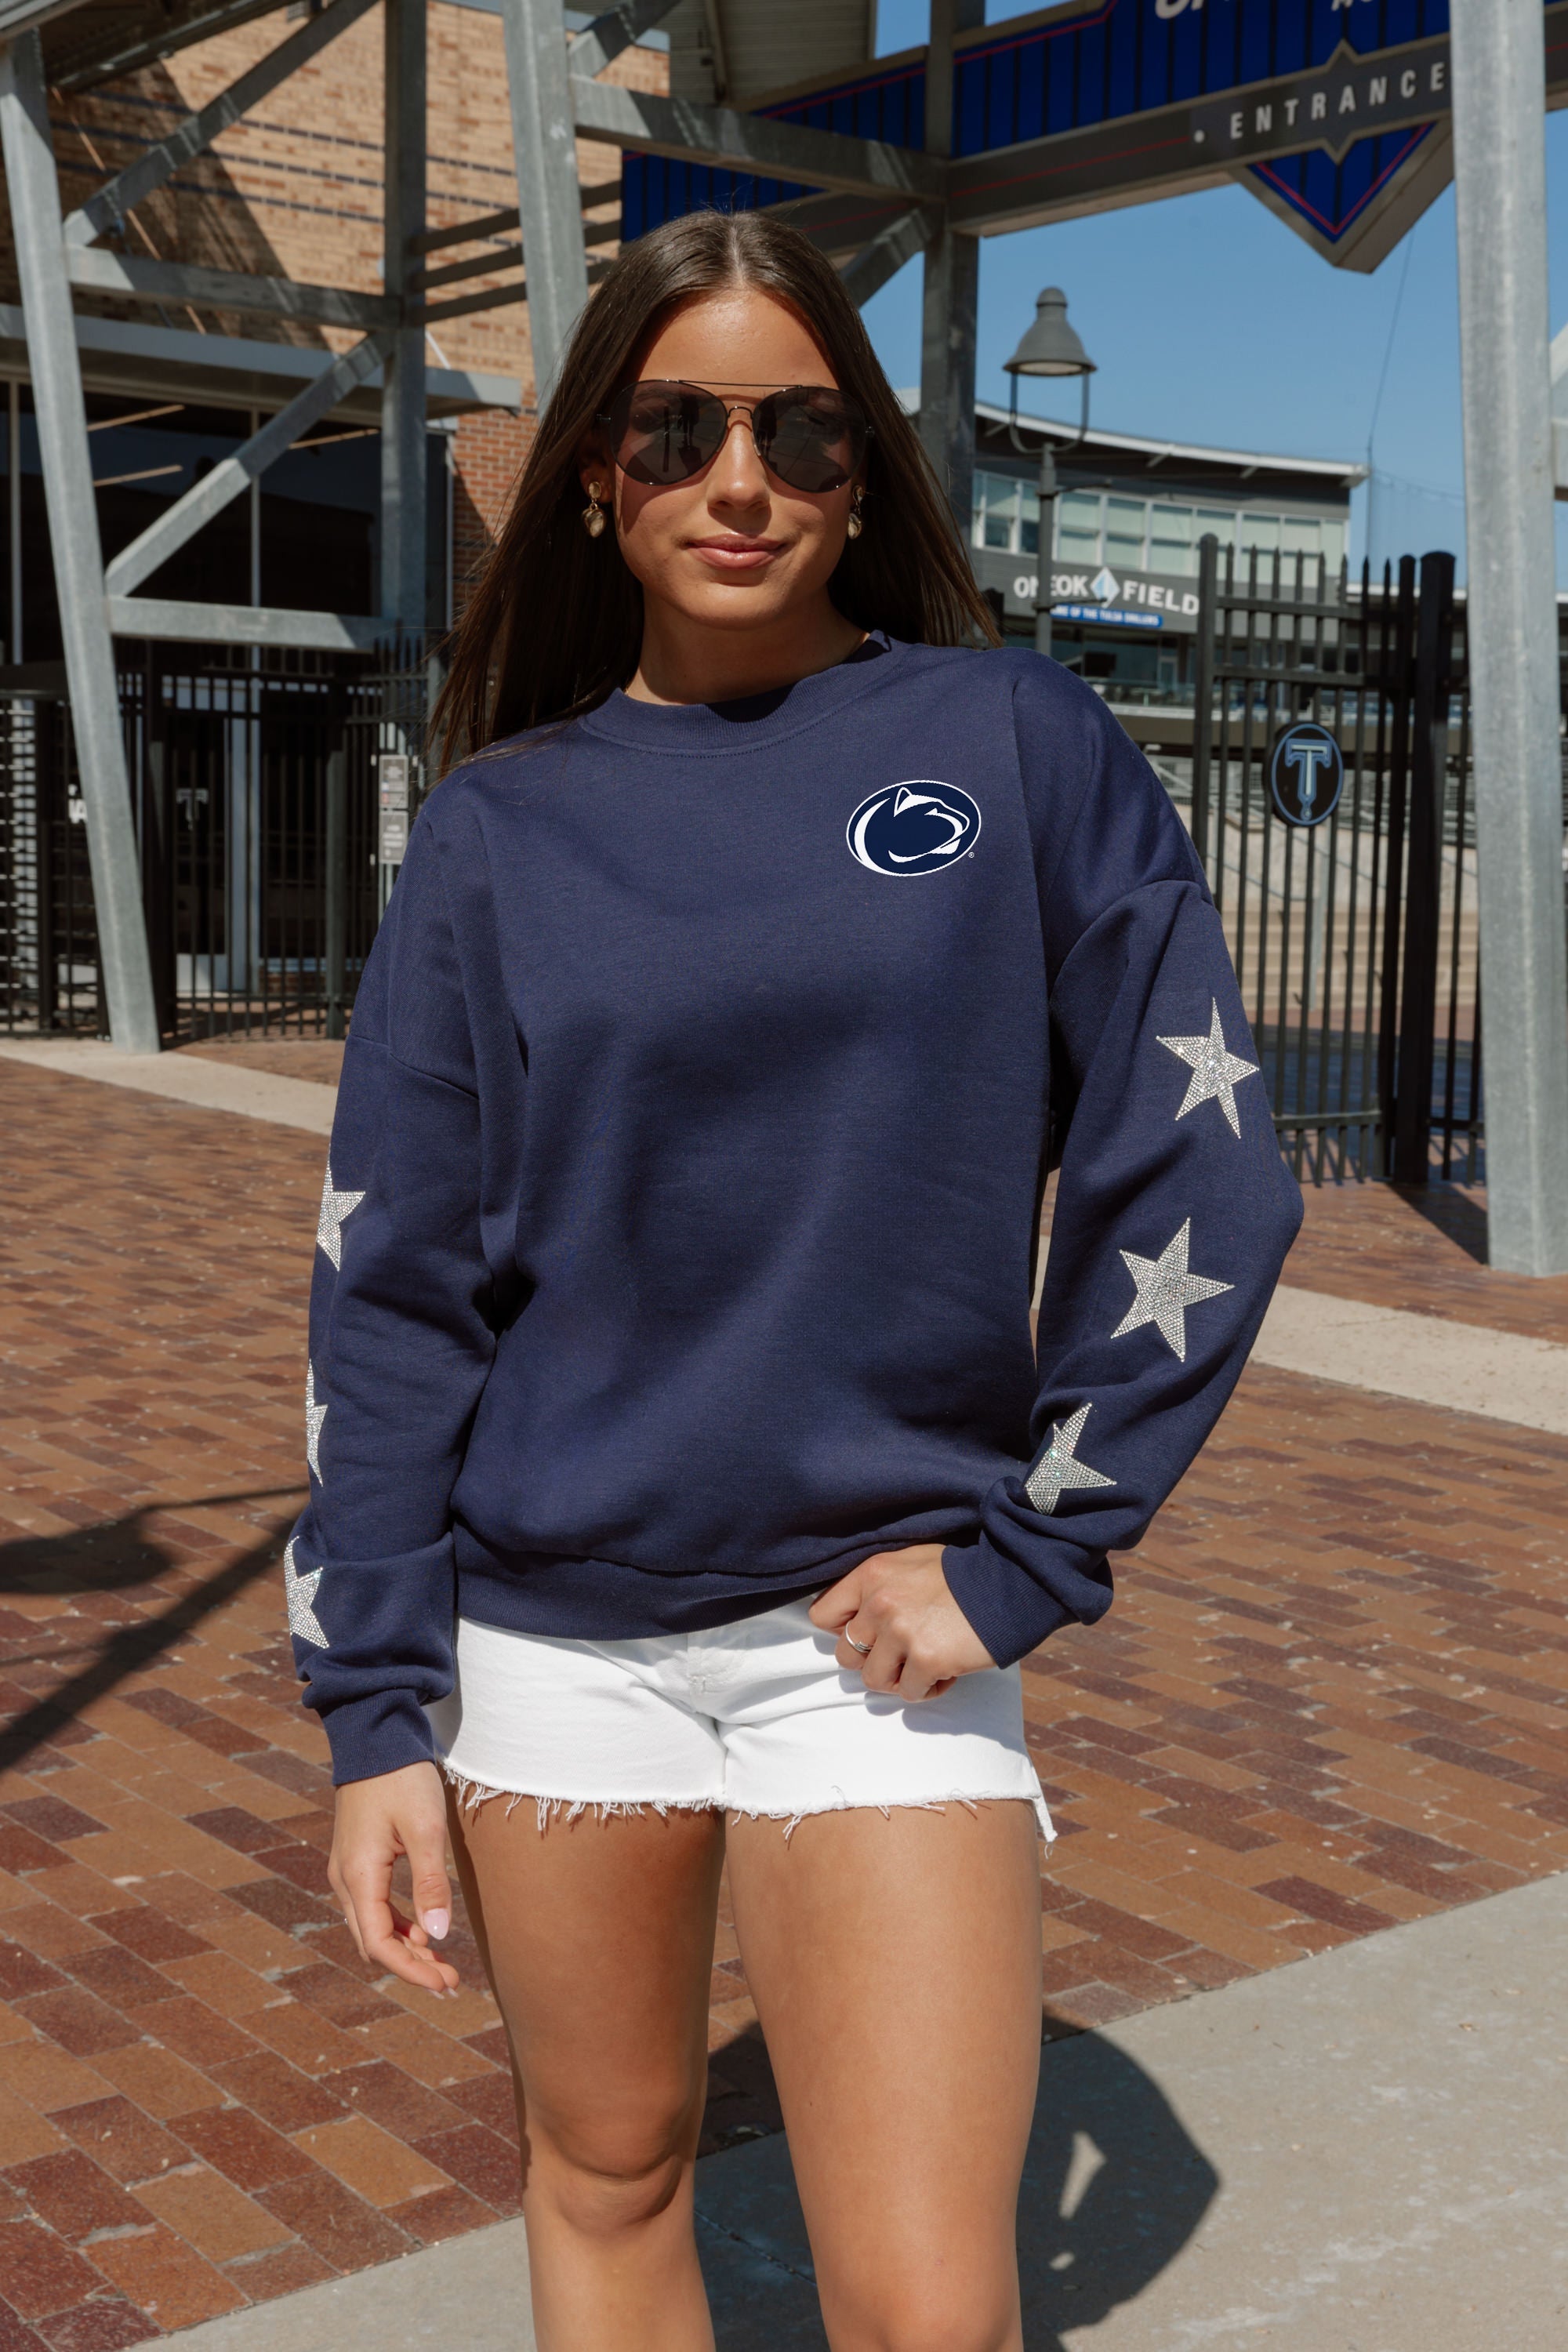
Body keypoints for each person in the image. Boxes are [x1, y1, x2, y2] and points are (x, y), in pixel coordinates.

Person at [288, 209, 1301, 2352]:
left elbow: (1200, 1166)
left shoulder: (1014, 742)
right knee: (611, 2175)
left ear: (863, 467)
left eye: (798, 431)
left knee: (928, 2306)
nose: (737, 480)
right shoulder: (498, 833)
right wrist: (377, 1713)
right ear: (598, 472)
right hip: (554, 1644)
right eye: (676, 430)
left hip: (879, 1648)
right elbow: (396, 1291)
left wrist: (1034, 1550)